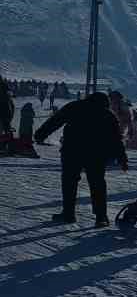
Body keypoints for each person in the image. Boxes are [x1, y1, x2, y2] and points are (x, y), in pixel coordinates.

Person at [35, 93, 129, 225]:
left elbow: (55, 120)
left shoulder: (75, 106)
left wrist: (40, 134)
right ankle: (101, 217)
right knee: (97, 183)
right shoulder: (108, 114)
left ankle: (68, 214)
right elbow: (116, 139)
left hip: (73, 151)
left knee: (69, 182)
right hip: (97, 154)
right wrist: (123, 159)